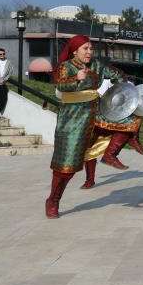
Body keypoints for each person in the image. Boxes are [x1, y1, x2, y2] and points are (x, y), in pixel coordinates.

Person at [45, 35, 121, 218]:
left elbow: (116, 75)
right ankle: (53, 200)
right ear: (74, 51)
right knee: (67, 167)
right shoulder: (66, 66)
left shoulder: (96, 65)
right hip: (72, 119)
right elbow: (60, 84)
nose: (89, 52)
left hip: (95, 114)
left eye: (91, 48)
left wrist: (122, 84)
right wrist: (76, 78)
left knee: (126, 125)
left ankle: (110, 155)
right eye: (85, 49)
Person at [80, 111, 143, 189]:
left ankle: (132, 140)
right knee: (89, 153)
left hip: (109, 118)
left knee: (130, 123)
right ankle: (90, 180)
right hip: (94, 122)